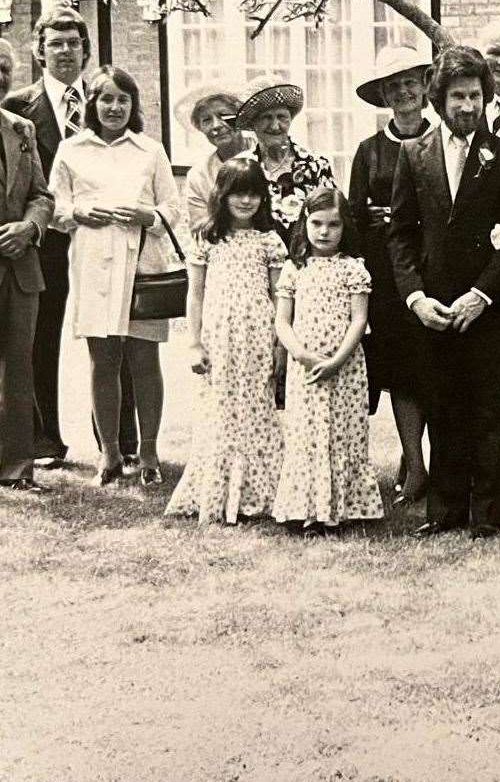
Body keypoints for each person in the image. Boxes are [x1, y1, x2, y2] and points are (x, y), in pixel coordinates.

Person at [388, 45, 500, 539]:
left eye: (474, 95)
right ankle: (444, 509)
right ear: (438, 99)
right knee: (443, 406)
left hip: (484, 305)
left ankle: (489, 512)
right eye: (457, 97)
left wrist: (482, 294)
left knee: (489, 407)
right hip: (434, 306)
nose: (467, 106)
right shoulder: (413, 153)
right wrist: (416, 298)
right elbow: (401, 234)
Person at [50, 66, 182, 487]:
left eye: (123, 100)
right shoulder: (72, 150)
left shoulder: (150, 150)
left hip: (142, 267)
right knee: (102, 361)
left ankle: (148, 454)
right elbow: (54, 206)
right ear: (92, 103)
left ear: (133, 106)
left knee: (144, 360)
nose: (114, 107)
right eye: (106, 99)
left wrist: (151, 215)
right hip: (93, 265)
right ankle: (108, 455)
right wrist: (77, 213)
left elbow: (173, 208)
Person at [165, 158, 286, 524]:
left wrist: (281, 343)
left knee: (258, 411)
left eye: (253, 194)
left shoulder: (270, 239)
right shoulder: (206, 237)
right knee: (217, 411)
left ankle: (261, 494)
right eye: (238, 193)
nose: (246, 201)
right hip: (218, 337)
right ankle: (213, 492)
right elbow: (196, 294)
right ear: (222, 195)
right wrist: (195, 342)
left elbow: (280, 293)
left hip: (258, 336)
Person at [2, 7, 94, 466]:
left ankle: (119, 442)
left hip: (102, 240)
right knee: (40, 338)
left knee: (112, 334)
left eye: (72, 43)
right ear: (39, 52)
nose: (64, 51)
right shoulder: (18, 108)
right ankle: (44, 439)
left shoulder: (109, 98)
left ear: (85, 50)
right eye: (54, 43)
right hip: (43, 244)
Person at [348, 46, 435, 506]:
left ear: (424, 88)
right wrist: (373, 221)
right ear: (384, 95)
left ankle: (421, 462)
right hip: (385, 275)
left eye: (410, 82)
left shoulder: (442, 141)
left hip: (432, 271)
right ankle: (414, 462)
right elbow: (353, 217)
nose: (403, 92)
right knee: (400, 369)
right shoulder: (368, 152)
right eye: (394, 85)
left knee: (430, 368)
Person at [271, 187, 383, 533]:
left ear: (345, 227)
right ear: (304, 223)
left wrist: (337, 359)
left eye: (333, 225)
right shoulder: (294, 268)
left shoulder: (353, 268)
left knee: (341, 432)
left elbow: (359, 320)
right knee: (306, 433)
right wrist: (300, 353)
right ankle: (305, 507)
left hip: (344, 365)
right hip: (304, 366)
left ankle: (341, 507)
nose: (324, 232)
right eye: (317, 223)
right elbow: (282, 321)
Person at [0, 39, 54, 495]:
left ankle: (19, 466)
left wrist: (30, 228)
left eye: (3, 69)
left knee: (20, 367)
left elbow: (42, 194)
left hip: (21, 269)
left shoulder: (21, 130)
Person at [234, 75, 334, 242]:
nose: (275, 126)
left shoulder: (316, 164)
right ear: (252, 124)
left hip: (307, 260)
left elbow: (333, 216)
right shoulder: (240, 167)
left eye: (281, 117)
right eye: (266, 118)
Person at [177, 82, 254, 232]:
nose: (216, 126)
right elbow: (199, 227)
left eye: (223, 115)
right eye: (206, 120)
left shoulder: (264, 154)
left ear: (240, 117)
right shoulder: (199, 176)